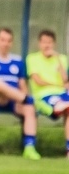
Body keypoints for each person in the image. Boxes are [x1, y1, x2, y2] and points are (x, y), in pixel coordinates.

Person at [0, 27, 41, 160]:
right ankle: (31, 100)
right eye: (3, 40)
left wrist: (16, 95)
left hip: (15, 101)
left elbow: (23, 86)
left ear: (12, 43)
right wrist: (2, 89)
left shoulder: (17, 61)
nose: (5, 43)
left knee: (28, 109)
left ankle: (29, 147)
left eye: (9, 41)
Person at [25, 29, 69, 158]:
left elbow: (65, 80)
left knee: (68, 110)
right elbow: (38, 81)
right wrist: (59, 85)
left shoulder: (61, 59)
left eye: (49, 42)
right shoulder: (32, 58)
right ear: (39, 43)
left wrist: (58, 60)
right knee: (65, 106)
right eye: (44, 42)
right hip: (43, 96)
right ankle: (57, 107)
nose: (47, 45)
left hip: (62, 94)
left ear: (54, 44)